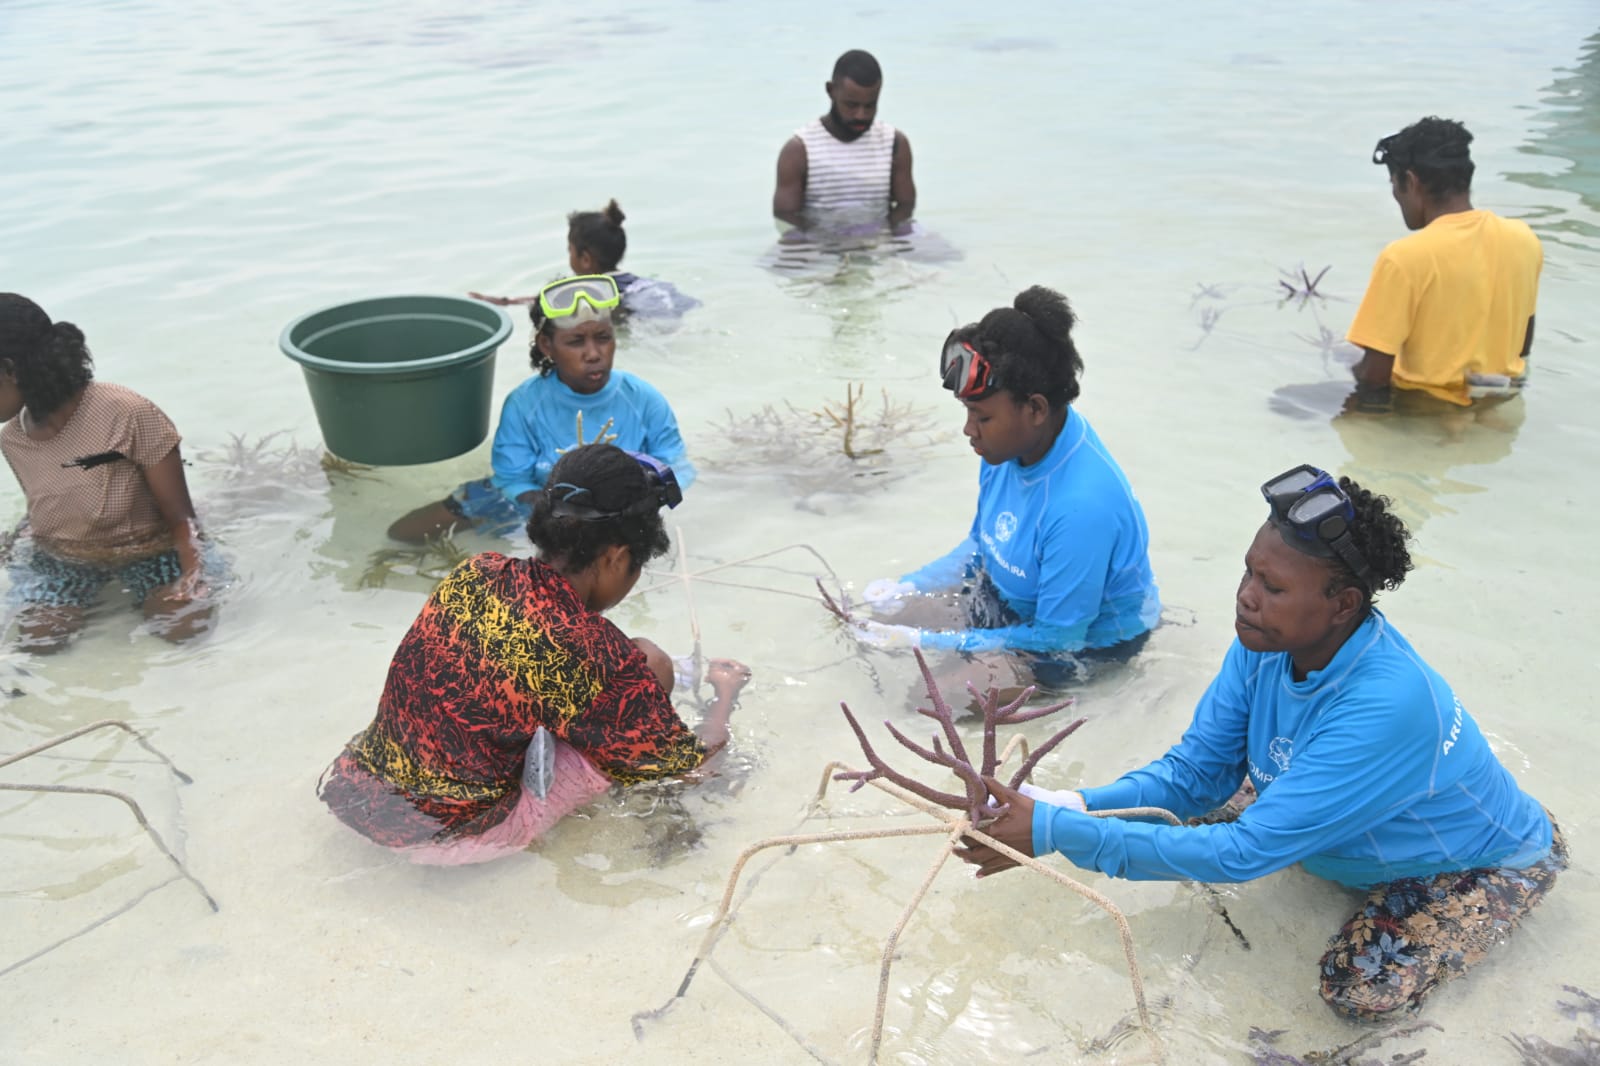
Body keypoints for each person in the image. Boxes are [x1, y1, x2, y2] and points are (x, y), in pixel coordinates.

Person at [961, 466, 1564, 1020]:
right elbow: (1193, 774)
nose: (1247, 595)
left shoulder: (1387, 703)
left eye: (1272, 587)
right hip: (1355, 816)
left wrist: (1054, 835)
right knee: (1180, 814)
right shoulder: (1265, 641)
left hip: (1477, 862)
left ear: (1342, 605)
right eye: (1249, 571)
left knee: (1355, 992)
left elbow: (1241, 857)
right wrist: (1066, 806)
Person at [321, 444, 750, 865]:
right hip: (442, 837)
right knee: (651, 664)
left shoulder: (476, 572)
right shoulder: (593, 655)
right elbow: (689, 770)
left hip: (355, 793)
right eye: (636, 567)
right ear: (617, 558)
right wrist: (725, 696)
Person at [849, 286, 1159, 670]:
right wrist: (911, 585)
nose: (968, 430)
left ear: (1035, 408)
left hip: (1088, 647)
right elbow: (984, 544)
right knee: (872, 626)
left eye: (982, 417)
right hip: (1012, 607)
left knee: (932, 701)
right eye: (967, 413)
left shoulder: (1082, 509)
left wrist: (928, 641)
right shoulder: (1006, 448)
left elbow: (1057, 639)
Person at [389, 275, 695, 543]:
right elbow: (511, 479)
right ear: (547, 346)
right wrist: (558, 510)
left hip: (620, 512)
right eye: (576, 341)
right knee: (403, 533)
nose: (593, 354)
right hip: (541, 506)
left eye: (603, 337)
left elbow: (676, 466)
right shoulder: (524, 404)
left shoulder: (643, 398)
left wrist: (640, 500)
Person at [0, 293, 215, 649]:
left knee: (183, 627)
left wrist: (193, 576)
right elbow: (51, 503)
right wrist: (17, 539)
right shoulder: (12, 439)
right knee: (38, 641)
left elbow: (182, 517)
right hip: (64, 559)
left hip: (147, 549)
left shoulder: (126, 412)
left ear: (10, 370)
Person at [1347, 117, 1542, 408]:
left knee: (1290, 399)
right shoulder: (1525, 239)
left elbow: (1374, 378)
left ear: (1410, 182)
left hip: (1424, 412)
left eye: (1394, 184)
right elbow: (1521, 348)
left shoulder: (1404, 257)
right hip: (1494, 407)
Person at [470, 200, 700, 320]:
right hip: (667, 300)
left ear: (586, 259)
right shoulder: (635, 282)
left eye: (570, 250)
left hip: (641, 314)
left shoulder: (592, 290)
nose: (569, 257)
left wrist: (506, 303)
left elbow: (551, 300)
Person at [773, 49, 916, 237]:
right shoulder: (800, 150)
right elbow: (786, 215)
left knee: (944, 256)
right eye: (851, 105)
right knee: (786, 262)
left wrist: (881, 234)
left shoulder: (895, 143)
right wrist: (826, 240)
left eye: (870, 105)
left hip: (878, 235)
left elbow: (905, 206)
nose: (861, 115)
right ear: (831, 91)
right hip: (821, 238)